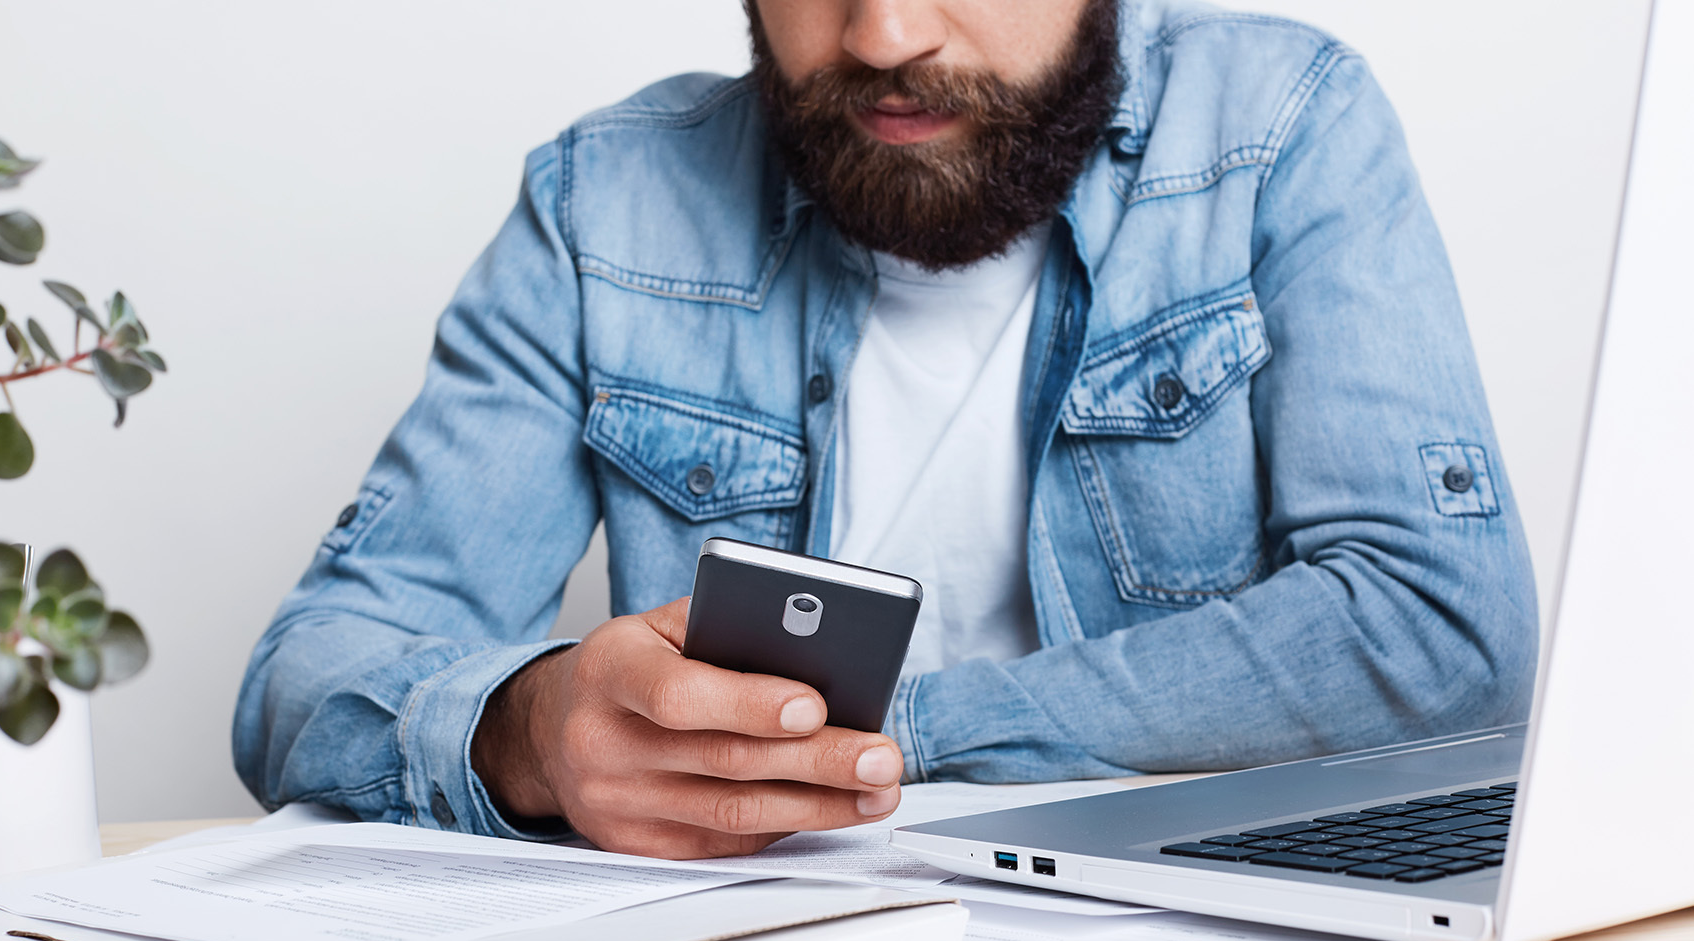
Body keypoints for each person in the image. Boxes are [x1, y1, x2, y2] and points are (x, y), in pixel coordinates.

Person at [234, 0, 1538, 859]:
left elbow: (1441, 632)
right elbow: (305, 676)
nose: (884, 34)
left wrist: (890, 735)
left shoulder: (1279, 127)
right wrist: (533, 729)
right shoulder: (606, 203)